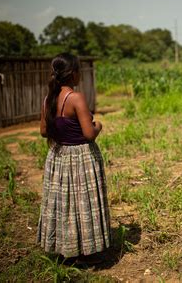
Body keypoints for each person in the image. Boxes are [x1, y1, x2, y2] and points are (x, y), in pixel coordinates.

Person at [37, 52, 111, 263]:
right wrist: (99, 125)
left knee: (63, 204)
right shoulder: (76, 98)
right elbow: (88, 133)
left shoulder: (48, 99)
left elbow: (43, 131)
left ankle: (65, 251)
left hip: (58, 157)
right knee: (83, 203)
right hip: (81, 158)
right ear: (74, 74)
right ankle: (87, 253)